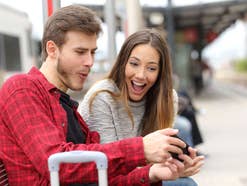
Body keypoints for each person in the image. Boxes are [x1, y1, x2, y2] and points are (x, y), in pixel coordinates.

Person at [0, 5, 193, 186]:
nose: (90, 62)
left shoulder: (68, 109)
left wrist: (151, 173)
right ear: (52, 49)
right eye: (80, 52)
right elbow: (56, 165)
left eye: (93, 52)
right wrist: (140, 149)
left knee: (182, 182)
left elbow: (100, 179)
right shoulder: (22, 88)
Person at [79, 29, 204, 186]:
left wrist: (176, 168)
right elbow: (108, 167)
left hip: (140, 177)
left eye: (151, 68)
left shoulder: (168, 99)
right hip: (107, 179)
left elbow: (157, 162)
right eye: (134, 64)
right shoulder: (102, 97)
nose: (140, 75)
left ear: (160, 72)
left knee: (185, 181)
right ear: (123, 62)